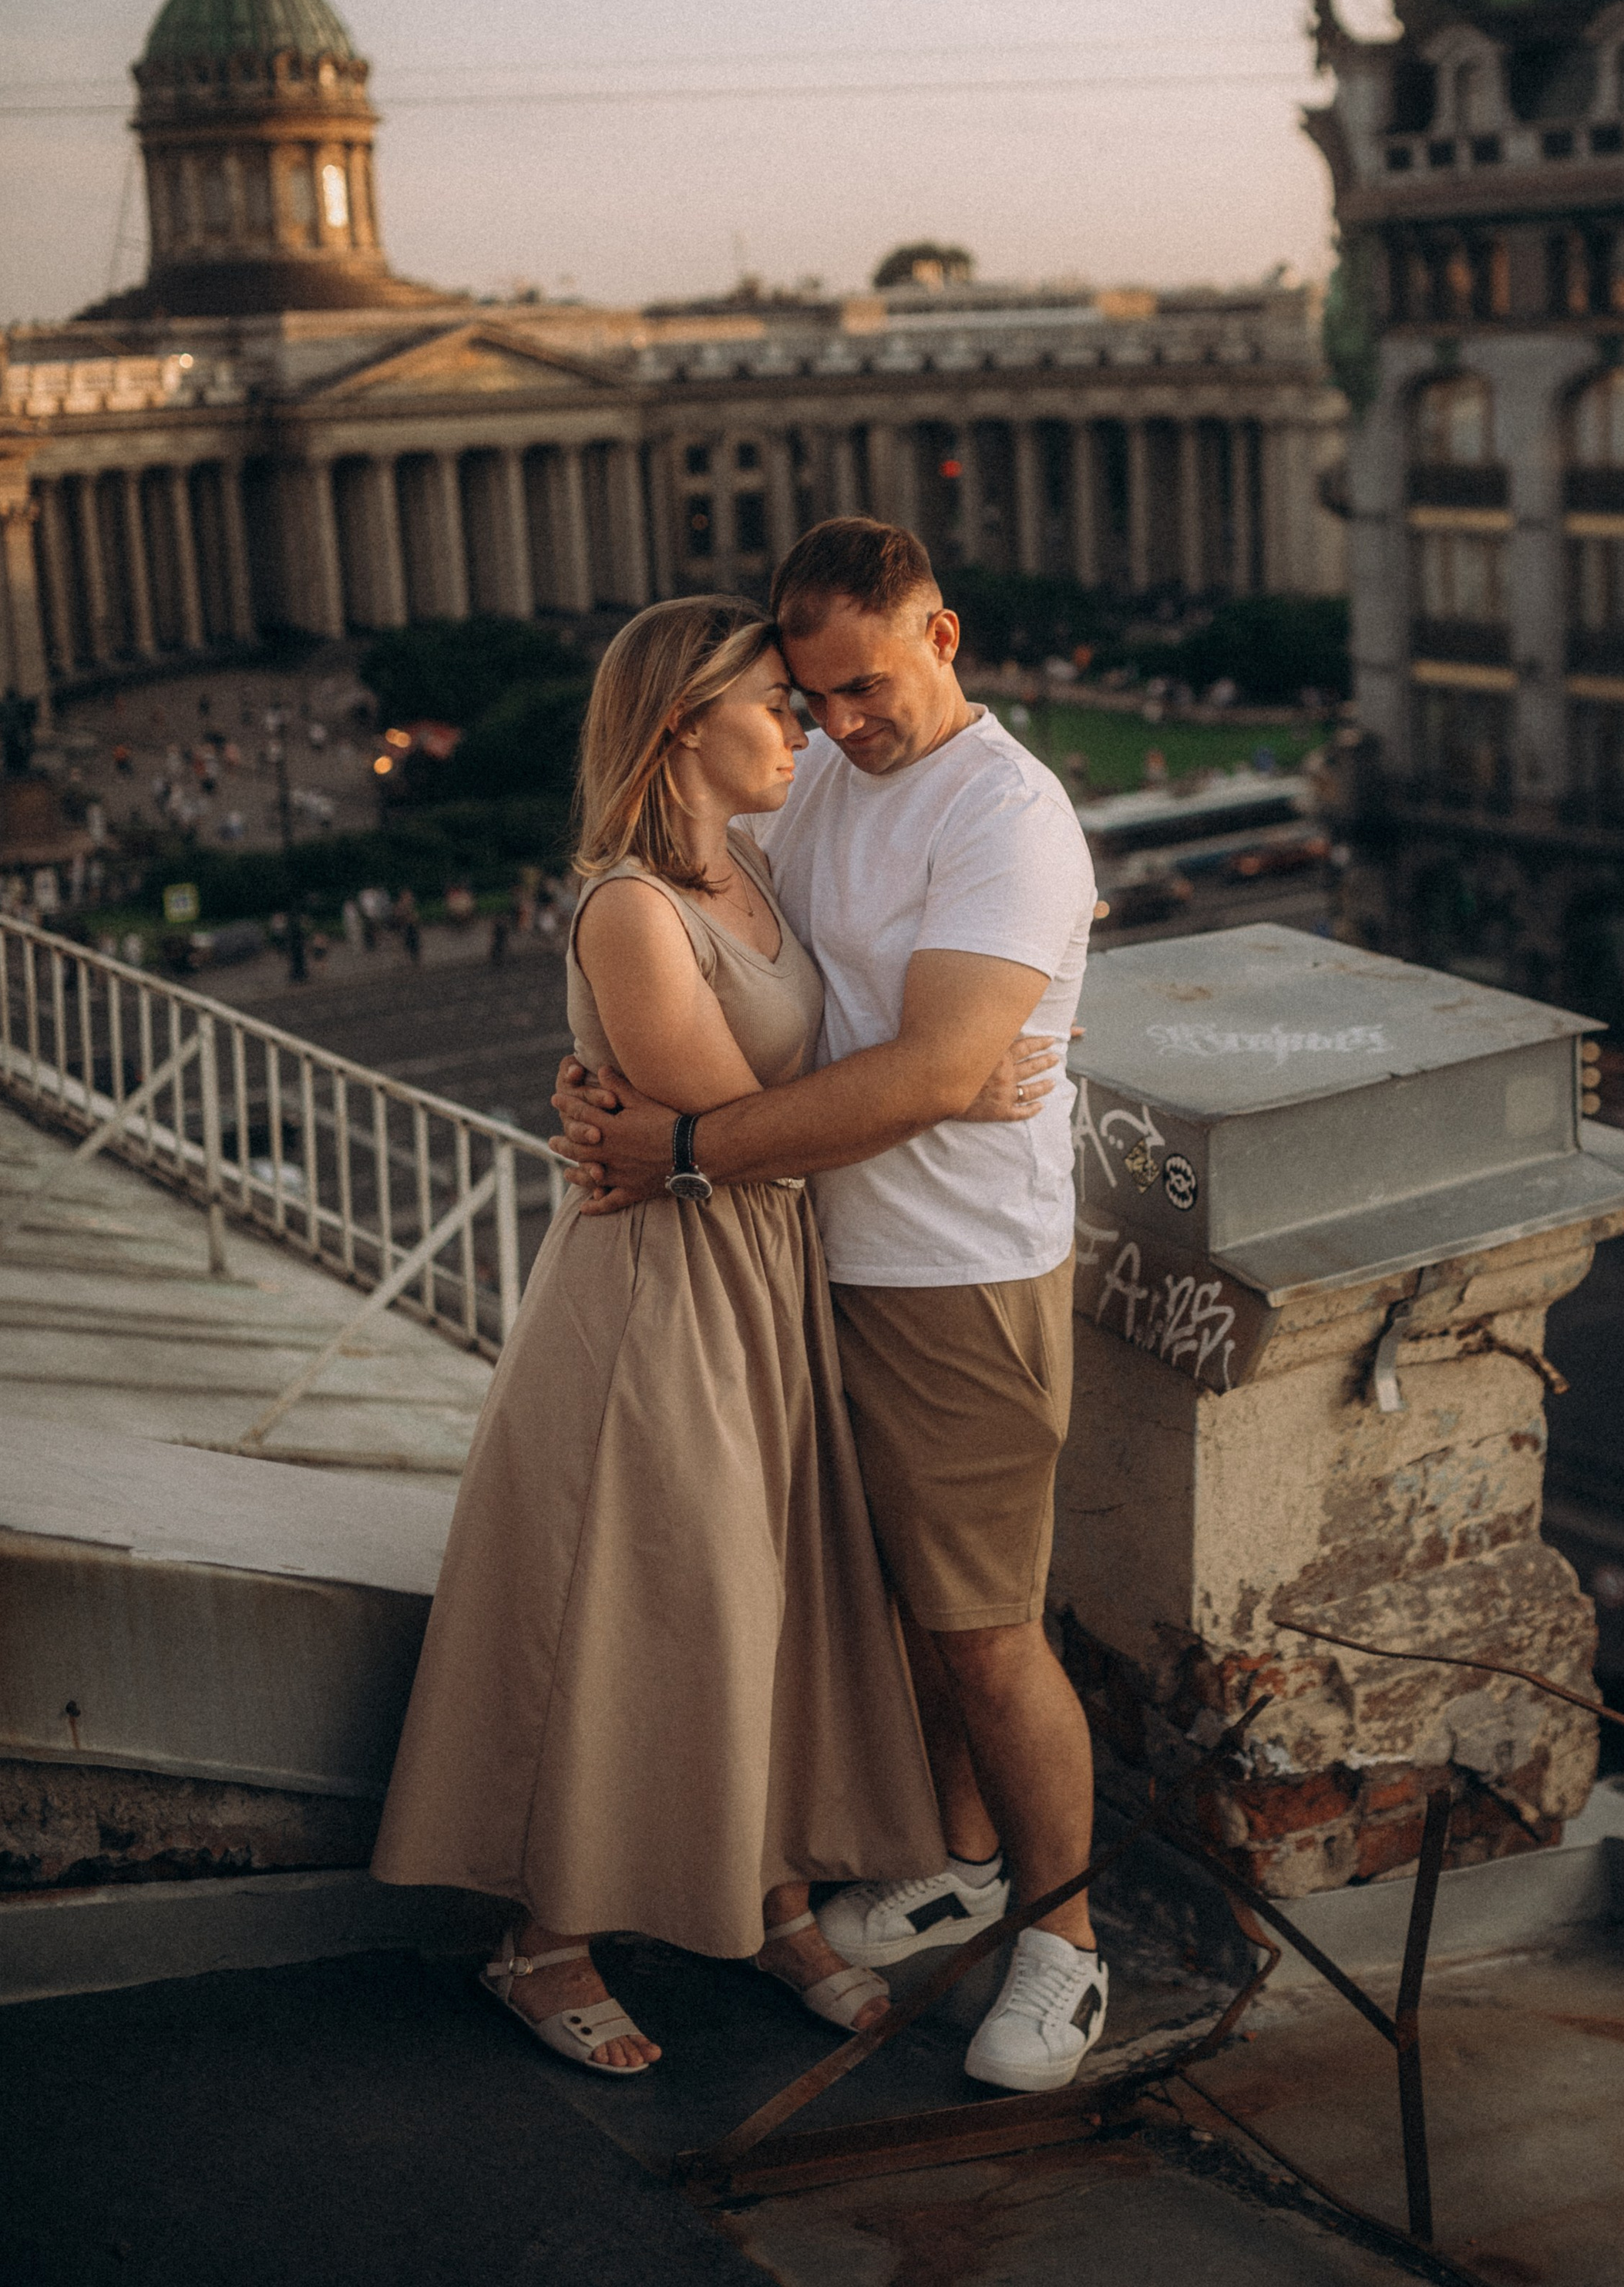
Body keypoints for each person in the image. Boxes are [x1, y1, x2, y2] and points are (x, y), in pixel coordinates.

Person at [374, 595, 1057, 2078]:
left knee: (769, 1597)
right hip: (662, 1294)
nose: (805, 734)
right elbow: (721, 1132)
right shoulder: (632, 904)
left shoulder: (755, 862)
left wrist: (946, 1064)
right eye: (776, 707)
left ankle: (769, 1899)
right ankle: (541, 1941)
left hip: (759, 1277)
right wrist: (949, 1087)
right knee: (643, 1598)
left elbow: (950, 958)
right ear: (686, 724)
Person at [553, 518, 1106, 2095]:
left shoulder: (1006, 809)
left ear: (942, 634)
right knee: (888, 1610)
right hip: (804, 1259)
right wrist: (607, 1063)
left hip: (956, 1271)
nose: (840, 726)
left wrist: (673, 1147)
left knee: (987, 1631)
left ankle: (1063, 1948)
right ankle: (961, 1862)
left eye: (863, 688)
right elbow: (717, 947)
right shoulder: (820, 787)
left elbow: (938, 1065)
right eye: (811, 697)